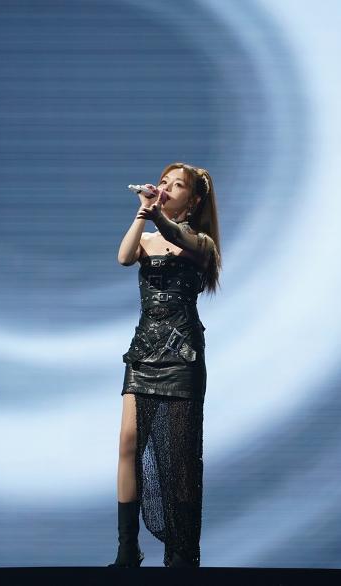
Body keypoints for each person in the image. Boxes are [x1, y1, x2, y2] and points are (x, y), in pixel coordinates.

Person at [109, 162, 222, 568]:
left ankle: (179, 552)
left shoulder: (201, 242)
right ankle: (128, 548)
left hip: (181, 355)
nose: (167, 188)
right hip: (144, 351)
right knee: (128, 444)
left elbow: (176, 235)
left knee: (178, 458)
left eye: (177, 185)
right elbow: (124, 257)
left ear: (193, 200)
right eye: (163, 182)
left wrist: (157, 214)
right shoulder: (148, 236)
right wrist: (143, 213)